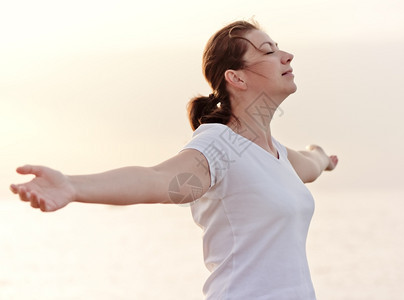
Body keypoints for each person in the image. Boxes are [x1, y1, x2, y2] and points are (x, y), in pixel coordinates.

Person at [10, 20, 338, 299]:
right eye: (268, 51)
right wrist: (72, 186)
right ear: (236, 78)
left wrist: (323, 158)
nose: (286, 55)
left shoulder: (278, 155)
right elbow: (156, 179)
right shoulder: (219, 145)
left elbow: (310, 163)